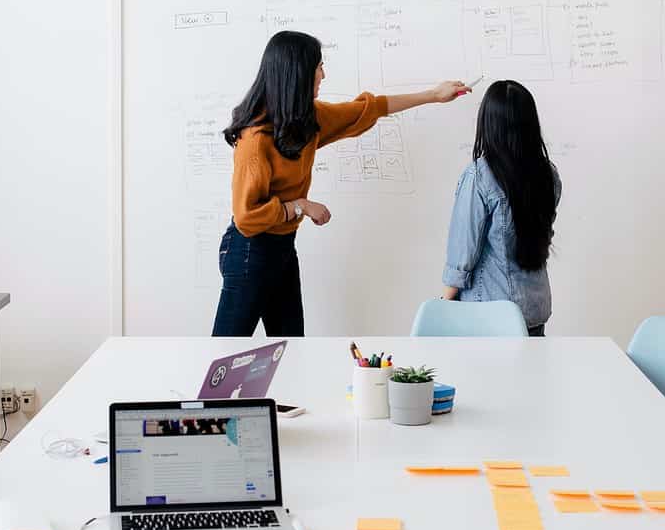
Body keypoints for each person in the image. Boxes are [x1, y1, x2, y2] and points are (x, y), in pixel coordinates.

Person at [213, 30, 469, 337]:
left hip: (282, 248)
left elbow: (369, 108)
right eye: (318, 67)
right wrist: (300, 206)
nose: (324, 74)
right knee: (227, 355)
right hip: (248, 251)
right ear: (297, 73)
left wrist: (433, 95)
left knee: (292, 350)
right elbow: (246, 218)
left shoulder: (306, 120)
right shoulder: (255, 140)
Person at [440, 80, 561, 336]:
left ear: (489, 123)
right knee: (527, 376)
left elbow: (463, 255)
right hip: (534, 310)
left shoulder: (480, 176)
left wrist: (442, 306)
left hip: (489, 314)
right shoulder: (547, 174)